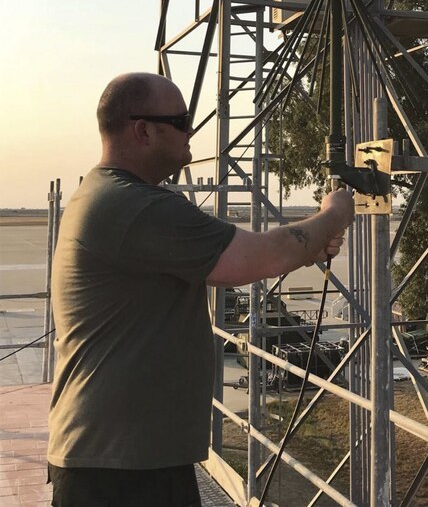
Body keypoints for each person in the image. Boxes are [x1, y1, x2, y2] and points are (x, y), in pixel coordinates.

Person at [47, 72, 354, 507]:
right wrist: (334, 213)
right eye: (181, 120)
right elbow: (259, 258)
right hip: (118, 471)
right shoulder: (135, 206)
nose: (191, 131)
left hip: (130, 459)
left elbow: (259, 254)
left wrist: (308, 243)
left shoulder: (115, 198)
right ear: (144, 130)